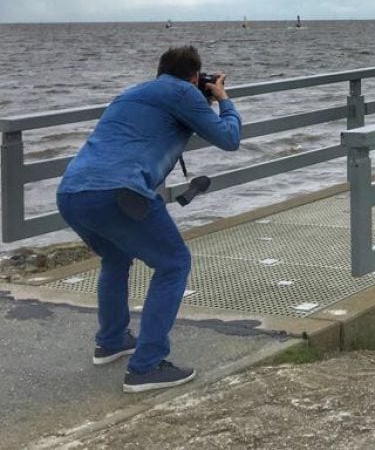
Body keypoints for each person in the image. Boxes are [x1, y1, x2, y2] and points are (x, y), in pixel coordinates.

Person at [55, 46, 242, 393]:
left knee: (115, 256)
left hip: (71, 192)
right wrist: (223, 99)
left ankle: (111, 341)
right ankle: (146, 366)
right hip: (120, 193)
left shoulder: (131, 92)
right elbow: (229, 139)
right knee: (174, 263)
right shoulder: (185, 92)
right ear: (193, 76)